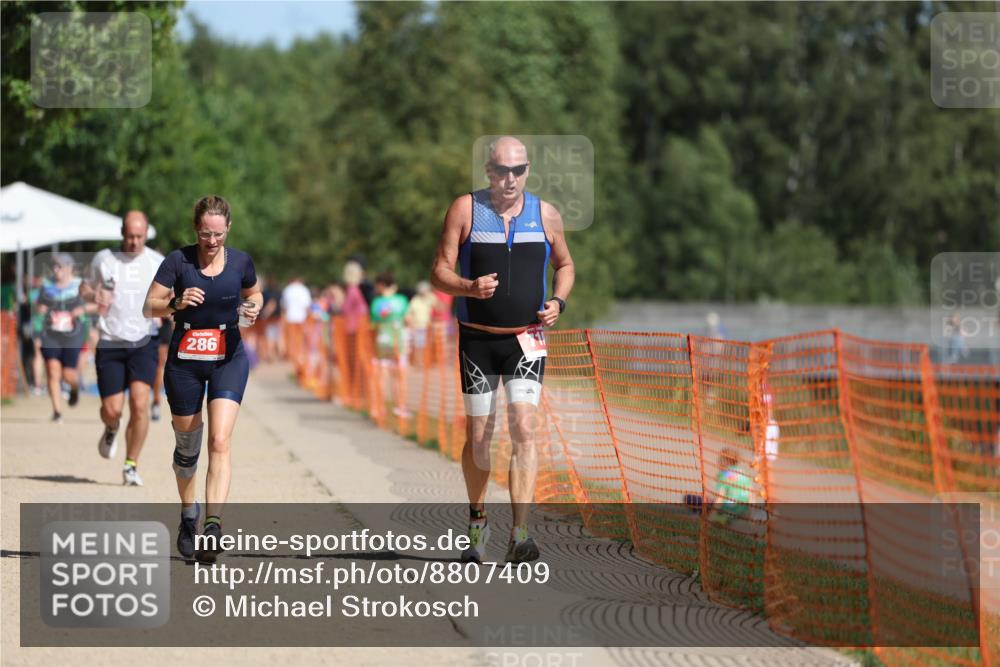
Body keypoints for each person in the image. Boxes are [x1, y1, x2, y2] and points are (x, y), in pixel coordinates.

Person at [430, 136, 575, 563]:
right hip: (478, 340)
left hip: (526, 341)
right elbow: (439, 271)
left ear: (527, 171)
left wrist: (558, 303)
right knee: (479, 438)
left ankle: (521, 534)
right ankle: (477, 522)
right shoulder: (465, 209)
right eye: (500, 170)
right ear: (488, 171)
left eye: (518, 170)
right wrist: (468, 287)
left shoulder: (546, 214)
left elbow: (564, 264)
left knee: (525, 430)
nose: (509, 179)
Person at [144, 195, 262, 562]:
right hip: (185, 361)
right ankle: (187, 516)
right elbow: (149, 306)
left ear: (229, 228)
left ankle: (213, 526)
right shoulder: (177, 261)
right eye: (205, 234)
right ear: (196, 230)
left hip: (228, 357)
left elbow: (254, 292)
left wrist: (253, 307)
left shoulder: (241, 261)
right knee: (188, 449)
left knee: (220, 440)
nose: (211, 242)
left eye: (218, 234)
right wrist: (176, 303)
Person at [80, 211, 165, 485]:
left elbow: (170, 295)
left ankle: (131, 465)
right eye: (129, 236)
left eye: (139, 236)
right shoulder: (104, 259)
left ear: (146, 234)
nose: (134, 241)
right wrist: (94, 295)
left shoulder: (157, 262)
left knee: (140, 404)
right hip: (110, 342)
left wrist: (169, 307)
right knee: (112, 409)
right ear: (122, 233)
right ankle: (111, 427)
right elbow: (83, 287)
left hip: (144, 341)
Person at [36, 254, 86, 422]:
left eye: (59, 266)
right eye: (54, 266)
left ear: (69, 267)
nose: (55, 270)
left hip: (73, 334)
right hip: (51, 333)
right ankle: (57, 411)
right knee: (52, 368)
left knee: (68, 373)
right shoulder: (47, 285)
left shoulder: (79, 284)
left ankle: (74, 387)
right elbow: (38, 304)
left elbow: (93, 303)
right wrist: (41, 309)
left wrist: (81, 310)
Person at [370, 272, 410, 419]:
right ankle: (401, 408)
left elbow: (373, 325)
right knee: (400, 377)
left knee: (382, 376)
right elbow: (407, 320)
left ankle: (379, 408)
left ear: (381, 285)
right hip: (398, 343)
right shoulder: (402, 300)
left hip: (382, 342)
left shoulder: (376, 303)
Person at [281, 275, 311, 369]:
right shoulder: (304, 289)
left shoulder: (288, 289)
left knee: (291, 337)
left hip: (290, 317)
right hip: (301, 318)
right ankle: (299, 354)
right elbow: (307, 305)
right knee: (300, 337)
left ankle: (292, 355)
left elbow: (284, 305)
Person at [405, 281, 435, 366]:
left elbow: (439, 306)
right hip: (417, 327)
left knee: (426, 345)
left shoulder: (430, 297)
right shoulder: (415, 300)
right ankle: (418, 362)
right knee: (419, 346)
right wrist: (411, 325)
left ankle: (425, 361)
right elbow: (408, 314)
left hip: (427, 327)